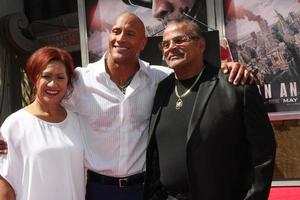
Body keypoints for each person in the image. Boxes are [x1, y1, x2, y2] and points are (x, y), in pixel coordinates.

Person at [0, 13, 251, 200]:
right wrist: (8, 134)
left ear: (143, 43)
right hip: (96, 190)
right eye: (116, 31)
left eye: (130, 33)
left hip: (144, 189)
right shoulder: (79, 81)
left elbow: (195, 76)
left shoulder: (160, 79)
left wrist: (228, 69)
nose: (121, 38)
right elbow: (43, 111)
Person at [144, 18, 276, 200]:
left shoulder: (236, 86)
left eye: (180, 40)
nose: (170, 47)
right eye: (165, 44)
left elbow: (263, 154)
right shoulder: (162, 89)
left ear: (201, 44)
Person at [0, 46, 85, 200]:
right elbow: (4, 186)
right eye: (47, 76)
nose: (53, 84)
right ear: (35, 78)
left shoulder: (77, 122)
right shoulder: (14, 125)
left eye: (60, 77)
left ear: (68, 82)